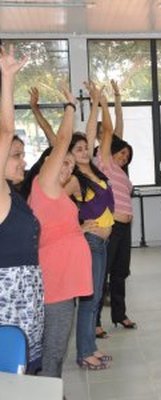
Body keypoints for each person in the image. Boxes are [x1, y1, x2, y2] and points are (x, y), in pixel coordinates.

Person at [25, 86, 93, 377]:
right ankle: (49, 391)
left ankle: (49, 389)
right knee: (53, 350)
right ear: (48, 164)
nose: (67, 167)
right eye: (62, 162)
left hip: (64, 281)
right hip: (57, 282)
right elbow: (63, 140)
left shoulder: (56, 193)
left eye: (69, 165)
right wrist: (70, 105)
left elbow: (55, 229)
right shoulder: (44, 183)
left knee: (54, 349)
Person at [0, 45, 45, 374]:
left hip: (26, 300)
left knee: (26, 375)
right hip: (8, 304)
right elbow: (5, 132)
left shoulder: (14, 195)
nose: (23, 161)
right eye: (16, 155)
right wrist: (7, 81)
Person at [65, 83, 114, 370]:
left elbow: (93, 133)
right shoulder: (73, 179)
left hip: (103, 243)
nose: (85, 151)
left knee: (94, 300)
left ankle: (90, 347)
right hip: (91, 243)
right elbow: (52, 203)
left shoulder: (93, 170)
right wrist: (78, 227)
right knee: (89, 300)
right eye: (78, 149)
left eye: (86, 148)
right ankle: (84, 353)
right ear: (70, 154)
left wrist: (96, 102)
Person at [94, 84, 137, 332]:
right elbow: (111, 130)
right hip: (110, 228)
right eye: (121, 153)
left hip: (125, 227)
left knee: (120, 273)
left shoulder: (121, 174)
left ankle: (119, 315)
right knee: (104, 273)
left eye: (127, 156)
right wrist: (104, 103)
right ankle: (96, 320)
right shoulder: (105, 164)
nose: (124, 158)